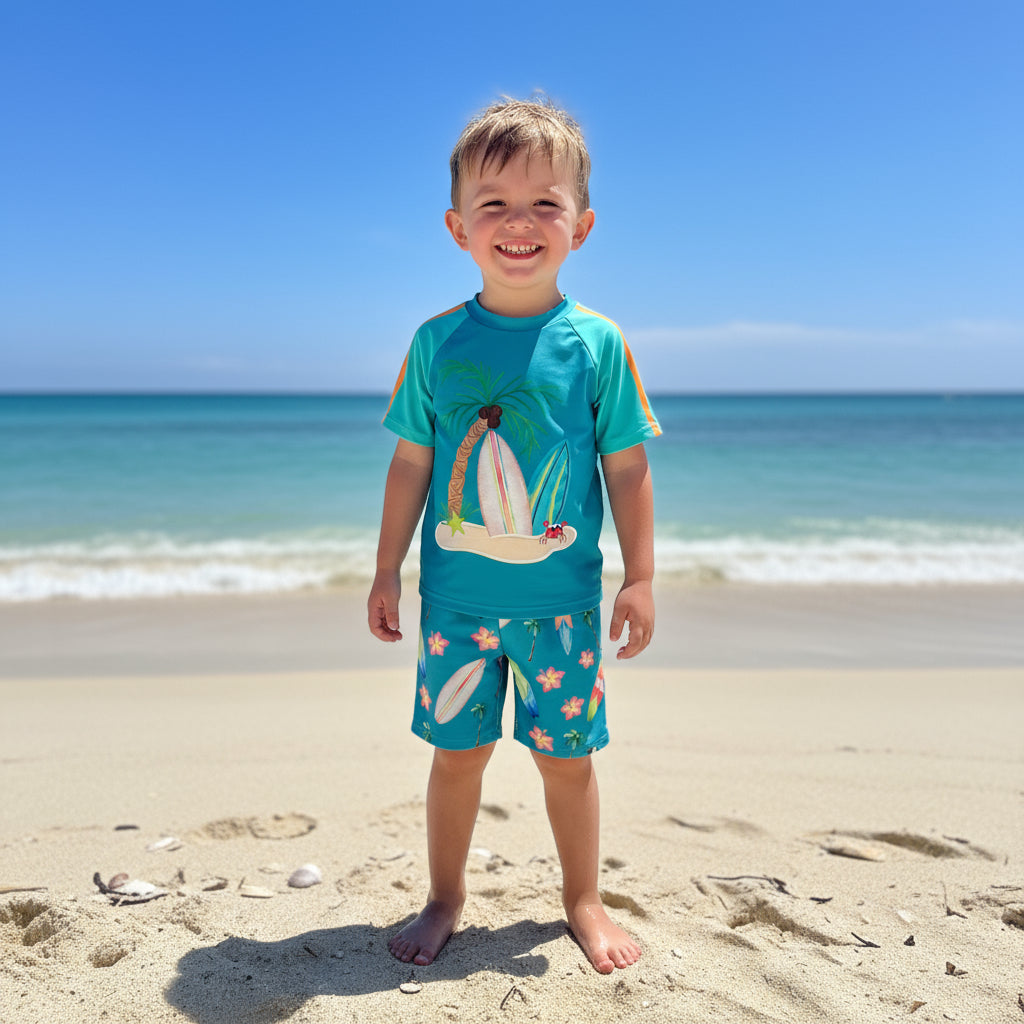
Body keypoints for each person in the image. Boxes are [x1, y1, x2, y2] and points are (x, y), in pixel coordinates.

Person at [367, 96, 660, 975]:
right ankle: (444, 897)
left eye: (544, 203)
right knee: (457, 756)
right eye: (494, 203)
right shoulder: (437, 342)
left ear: (582, 225)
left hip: (561, 608)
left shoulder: (597, 343)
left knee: (567, 764)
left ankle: (583, 900)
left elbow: (627, 468)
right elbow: (412, 465)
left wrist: (640, 577)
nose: (519, 222)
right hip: (457, 605)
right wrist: (385, 569)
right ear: (458, 227)